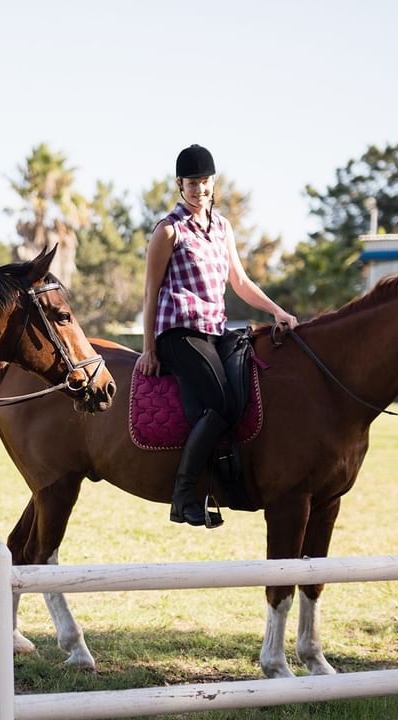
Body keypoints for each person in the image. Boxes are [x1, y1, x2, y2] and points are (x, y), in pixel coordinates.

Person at [136, 144, 299, 528]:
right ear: (180, 184)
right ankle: (183, 495)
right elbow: (150, 290)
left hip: (215, 329)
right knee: (222, 404)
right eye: (192, 183)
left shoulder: (222, 227)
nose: (199, 189)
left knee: (244, 391)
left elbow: (239, 282)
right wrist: (149, 348)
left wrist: (276, 310)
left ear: (213, 182)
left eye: (205, 182)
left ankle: (228, 480)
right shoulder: (169, 231)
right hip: (178, 331)